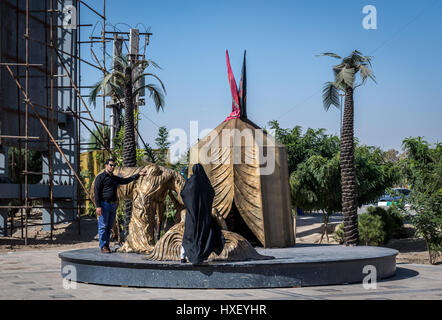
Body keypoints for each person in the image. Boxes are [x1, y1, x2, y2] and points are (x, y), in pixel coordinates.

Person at [94, 159, 147, 253]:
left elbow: (125, 180)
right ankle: (103, 246)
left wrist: (138, 175)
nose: (112, 167)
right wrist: (98, 206)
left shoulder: (114, 178)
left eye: (114, 165)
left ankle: (106, 245)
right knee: (103, 226)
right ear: (106, 165)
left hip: (113, 205)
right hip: (104, 204)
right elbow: (96, 193)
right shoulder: (100, 177)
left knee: (109, 225)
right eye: (111, 165)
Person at [180, 163, 224, 265]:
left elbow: (184, 194)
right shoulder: (206, 182)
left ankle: (183, 256)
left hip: (192, 216)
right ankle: (202, 255)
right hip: (204, 216)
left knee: (188, 235)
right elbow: (211, 193)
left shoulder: (191, 182)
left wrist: (191, 205)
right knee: (203, 235)